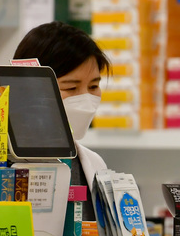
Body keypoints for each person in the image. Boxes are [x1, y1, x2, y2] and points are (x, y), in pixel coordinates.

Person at [13, 21, 111, 221]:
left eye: (93, 87)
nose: (86, 100)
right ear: (29, 88)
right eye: (71, 88)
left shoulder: (94, 164)